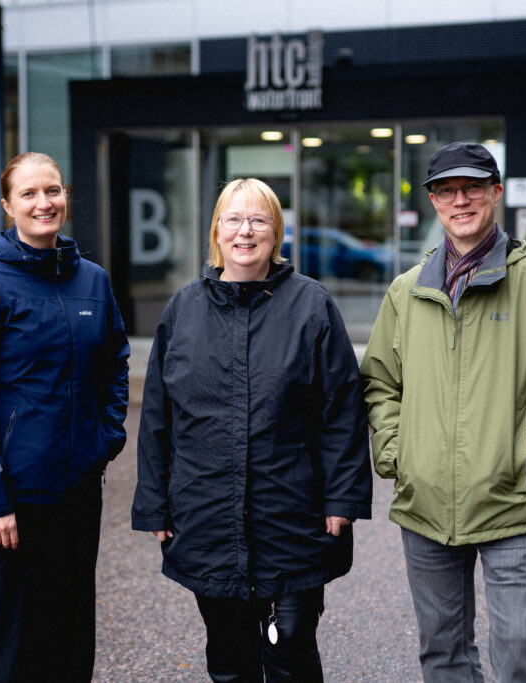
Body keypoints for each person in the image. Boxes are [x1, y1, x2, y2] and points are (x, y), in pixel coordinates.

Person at [360, 142, 526, 682]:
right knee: (442, 652)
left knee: (518, 651)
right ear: (432, 201)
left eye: (472, 187)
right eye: (446, 191)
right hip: (426, 504)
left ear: (496, 193)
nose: (460, 201)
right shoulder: (406, 291)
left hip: (510, 500)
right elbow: (380, 383)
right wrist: (399, 453)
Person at [131, 178, 373, 682]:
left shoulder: (311, 306)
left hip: (293, 516)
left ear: (275, 232)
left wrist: (343, 498)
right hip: (207, 517)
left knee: (291, 651)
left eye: (259, 220)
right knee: (229, 658)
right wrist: (154, 503)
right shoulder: (182, 311)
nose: (246, 231)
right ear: (216, 231)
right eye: (234, 219)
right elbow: (157, 418)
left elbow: (342, 410)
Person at [0, 152, 130, 682]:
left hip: (76, 496)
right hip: (10, 503)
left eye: (52, 190)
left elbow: (115, 362)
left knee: (67, 644)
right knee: (6, 653)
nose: (43, 202)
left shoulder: (92, 281)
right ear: (7, 205)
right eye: (28, 193)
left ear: (65, 196)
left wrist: (105, 437)